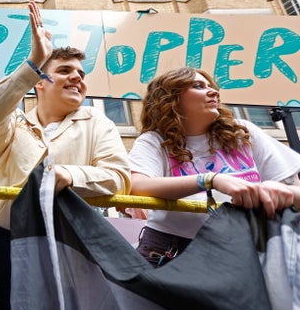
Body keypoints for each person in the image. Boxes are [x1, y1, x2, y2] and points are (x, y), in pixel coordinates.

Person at [0, 1, 131, 310]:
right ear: (40, 84)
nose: (77, 77)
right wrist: (33, 62)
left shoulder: (99, 124)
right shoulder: (14, 123)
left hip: (60, 252)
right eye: (64, 69)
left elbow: (118, 178)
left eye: (81, 73)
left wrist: (67, 175)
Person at [129, 67, 300, 266]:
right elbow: (137, 186)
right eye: (198, 86)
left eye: (212, 86)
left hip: (247, 248)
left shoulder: (243, 132)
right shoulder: (153, 141)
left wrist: (281, 191)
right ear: (170, 99)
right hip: (173, 250)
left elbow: (294, 187)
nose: (213, 92)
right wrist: (210, 180)